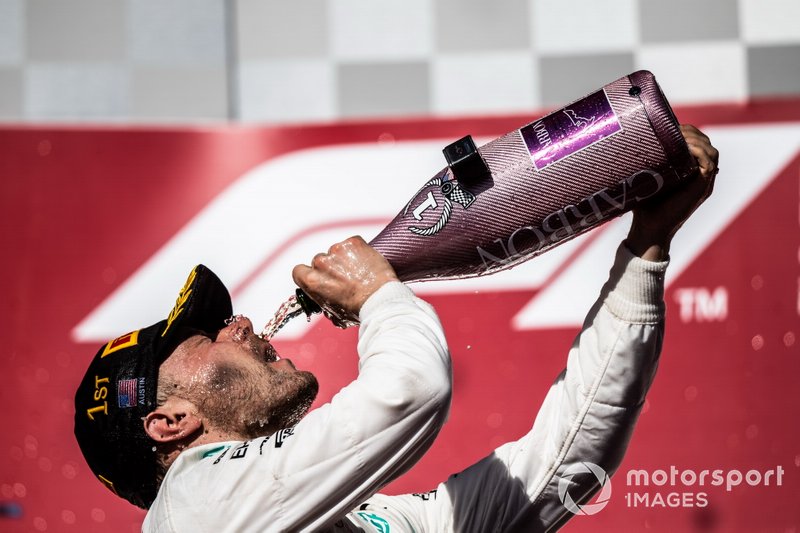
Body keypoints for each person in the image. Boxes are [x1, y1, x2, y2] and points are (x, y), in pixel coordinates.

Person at [74, 125, 718, 532]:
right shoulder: (191, 514)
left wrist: (647, 249)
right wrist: (378, 293)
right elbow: (409, 389)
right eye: (206, 336)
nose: (240, 323)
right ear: (170, 423)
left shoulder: (359, 521)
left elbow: (562, 467)